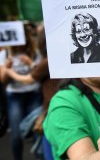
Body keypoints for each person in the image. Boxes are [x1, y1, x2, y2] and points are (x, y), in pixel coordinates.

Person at [4, 27, 60, 160]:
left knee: (48, 148)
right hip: (52, 106)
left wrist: (8, 71)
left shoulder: (47, 60)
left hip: (51, 109)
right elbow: (40, 71)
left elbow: (28, 79)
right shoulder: (55, 59)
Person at [1, 23, 43, 160]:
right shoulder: (5, 54)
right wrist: (7, 69)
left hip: (33, 95)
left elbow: (38, 75)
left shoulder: (35, 52)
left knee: (38, 130)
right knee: (16, 134)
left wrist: (30, 63)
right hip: (14, 96)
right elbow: (3, 81)